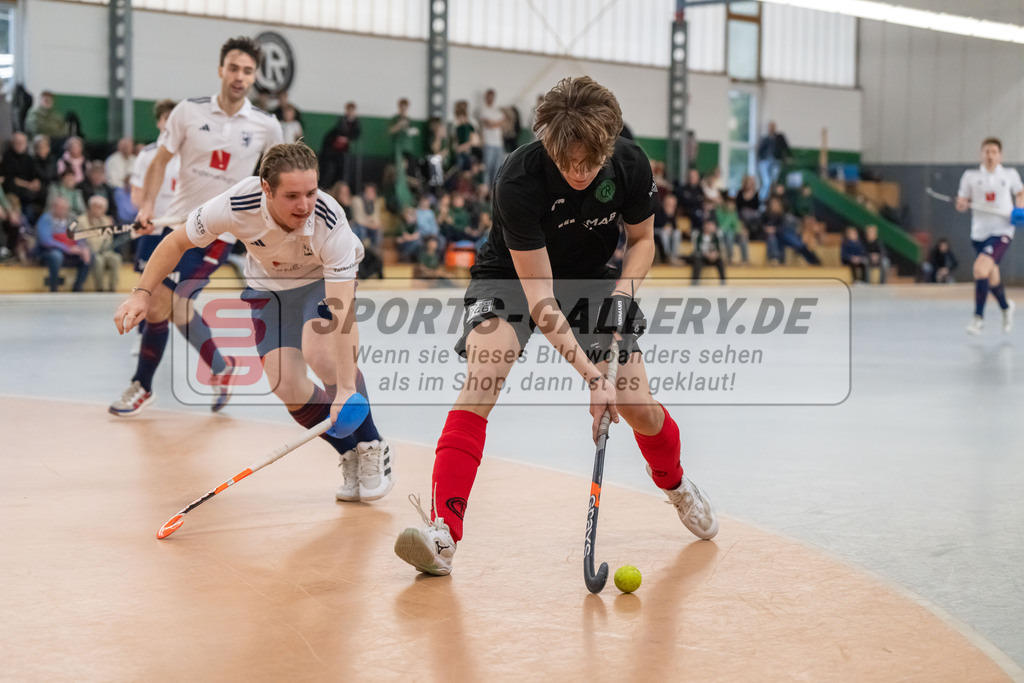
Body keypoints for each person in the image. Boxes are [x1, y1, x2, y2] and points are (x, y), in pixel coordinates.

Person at [393, 76, 718, 577]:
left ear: (608, 145)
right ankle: (443, 533)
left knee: (637, 407)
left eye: (588, 163)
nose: (577, 172)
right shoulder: (518, 178)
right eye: (566, 162)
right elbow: (540, 298)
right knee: (484, 375)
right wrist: (592, 378)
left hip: (591, 280)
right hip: (512, 276)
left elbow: (643, 241)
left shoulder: (630, 164)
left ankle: (675, 483)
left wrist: (622, 296)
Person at [113, 142, 394, 502]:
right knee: (285, 383)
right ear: (266, 188)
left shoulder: (328, 219)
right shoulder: (235, 204)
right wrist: (141, 293)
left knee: (322, 356)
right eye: (292, 195)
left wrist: (343, 390)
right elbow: (175, 242)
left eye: (310, 192)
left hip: (321, 281)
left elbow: (342, 314)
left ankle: (371, 446)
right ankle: (348, 453)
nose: (305, 205)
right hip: (270, 290)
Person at [110, 36, 284, 416]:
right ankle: (223, 368)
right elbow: (159, 162)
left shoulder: (267, 127)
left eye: (248, 71)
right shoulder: (188, 112)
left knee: (159, 301)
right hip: (173, 226)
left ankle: (141, 385)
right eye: (234, 68)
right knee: (176, 306)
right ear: (221, 70)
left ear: (254, 78)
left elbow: (276, 182)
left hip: (218, 232)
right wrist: (147, 206)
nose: (240, 77)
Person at [957, 137, 1023, 335]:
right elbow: (962, 200)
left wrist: (1020, 208)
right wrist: (961, 204)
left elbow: (1020, 193)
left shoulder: (1010, 175)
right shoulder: (970, 176)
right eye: (987, 151)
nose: (990, 155)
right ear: (981, 154)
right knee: (990, 274)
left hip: (1001, 232)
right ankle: (1005, 307)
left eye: (994, 152)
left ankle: (978, 318)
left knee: (979, 269)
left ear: (1000, 155)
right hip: (979, 233)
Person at [36, 196, 91, 292]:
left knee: (89, 255)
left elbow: (80, 237)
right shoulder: (46, 219)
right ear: (53, 207)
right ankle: (54, 288)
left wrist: (83, 248)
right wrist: (67, 248)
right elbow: (46, 241)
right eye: (59, 207)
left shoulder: (71, 220)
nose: (62, 210)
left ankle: (77, 287)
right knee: (56, 256)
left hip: (69, 252)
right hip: (48, 252)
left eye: (65, 208)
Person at [757, 121, 790, 202]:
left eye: (772, 127)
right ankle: (762, 199)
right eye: (769, 127)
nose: (771, 129)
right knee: (767, 182)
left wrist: (787, 158)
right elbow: (760, 152)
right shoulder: (764, 139)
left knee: (774, 181)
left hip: (776, 161)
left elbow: (785, 148)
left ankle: (773, 198)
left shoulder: (780, 137)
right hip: (765, 161)